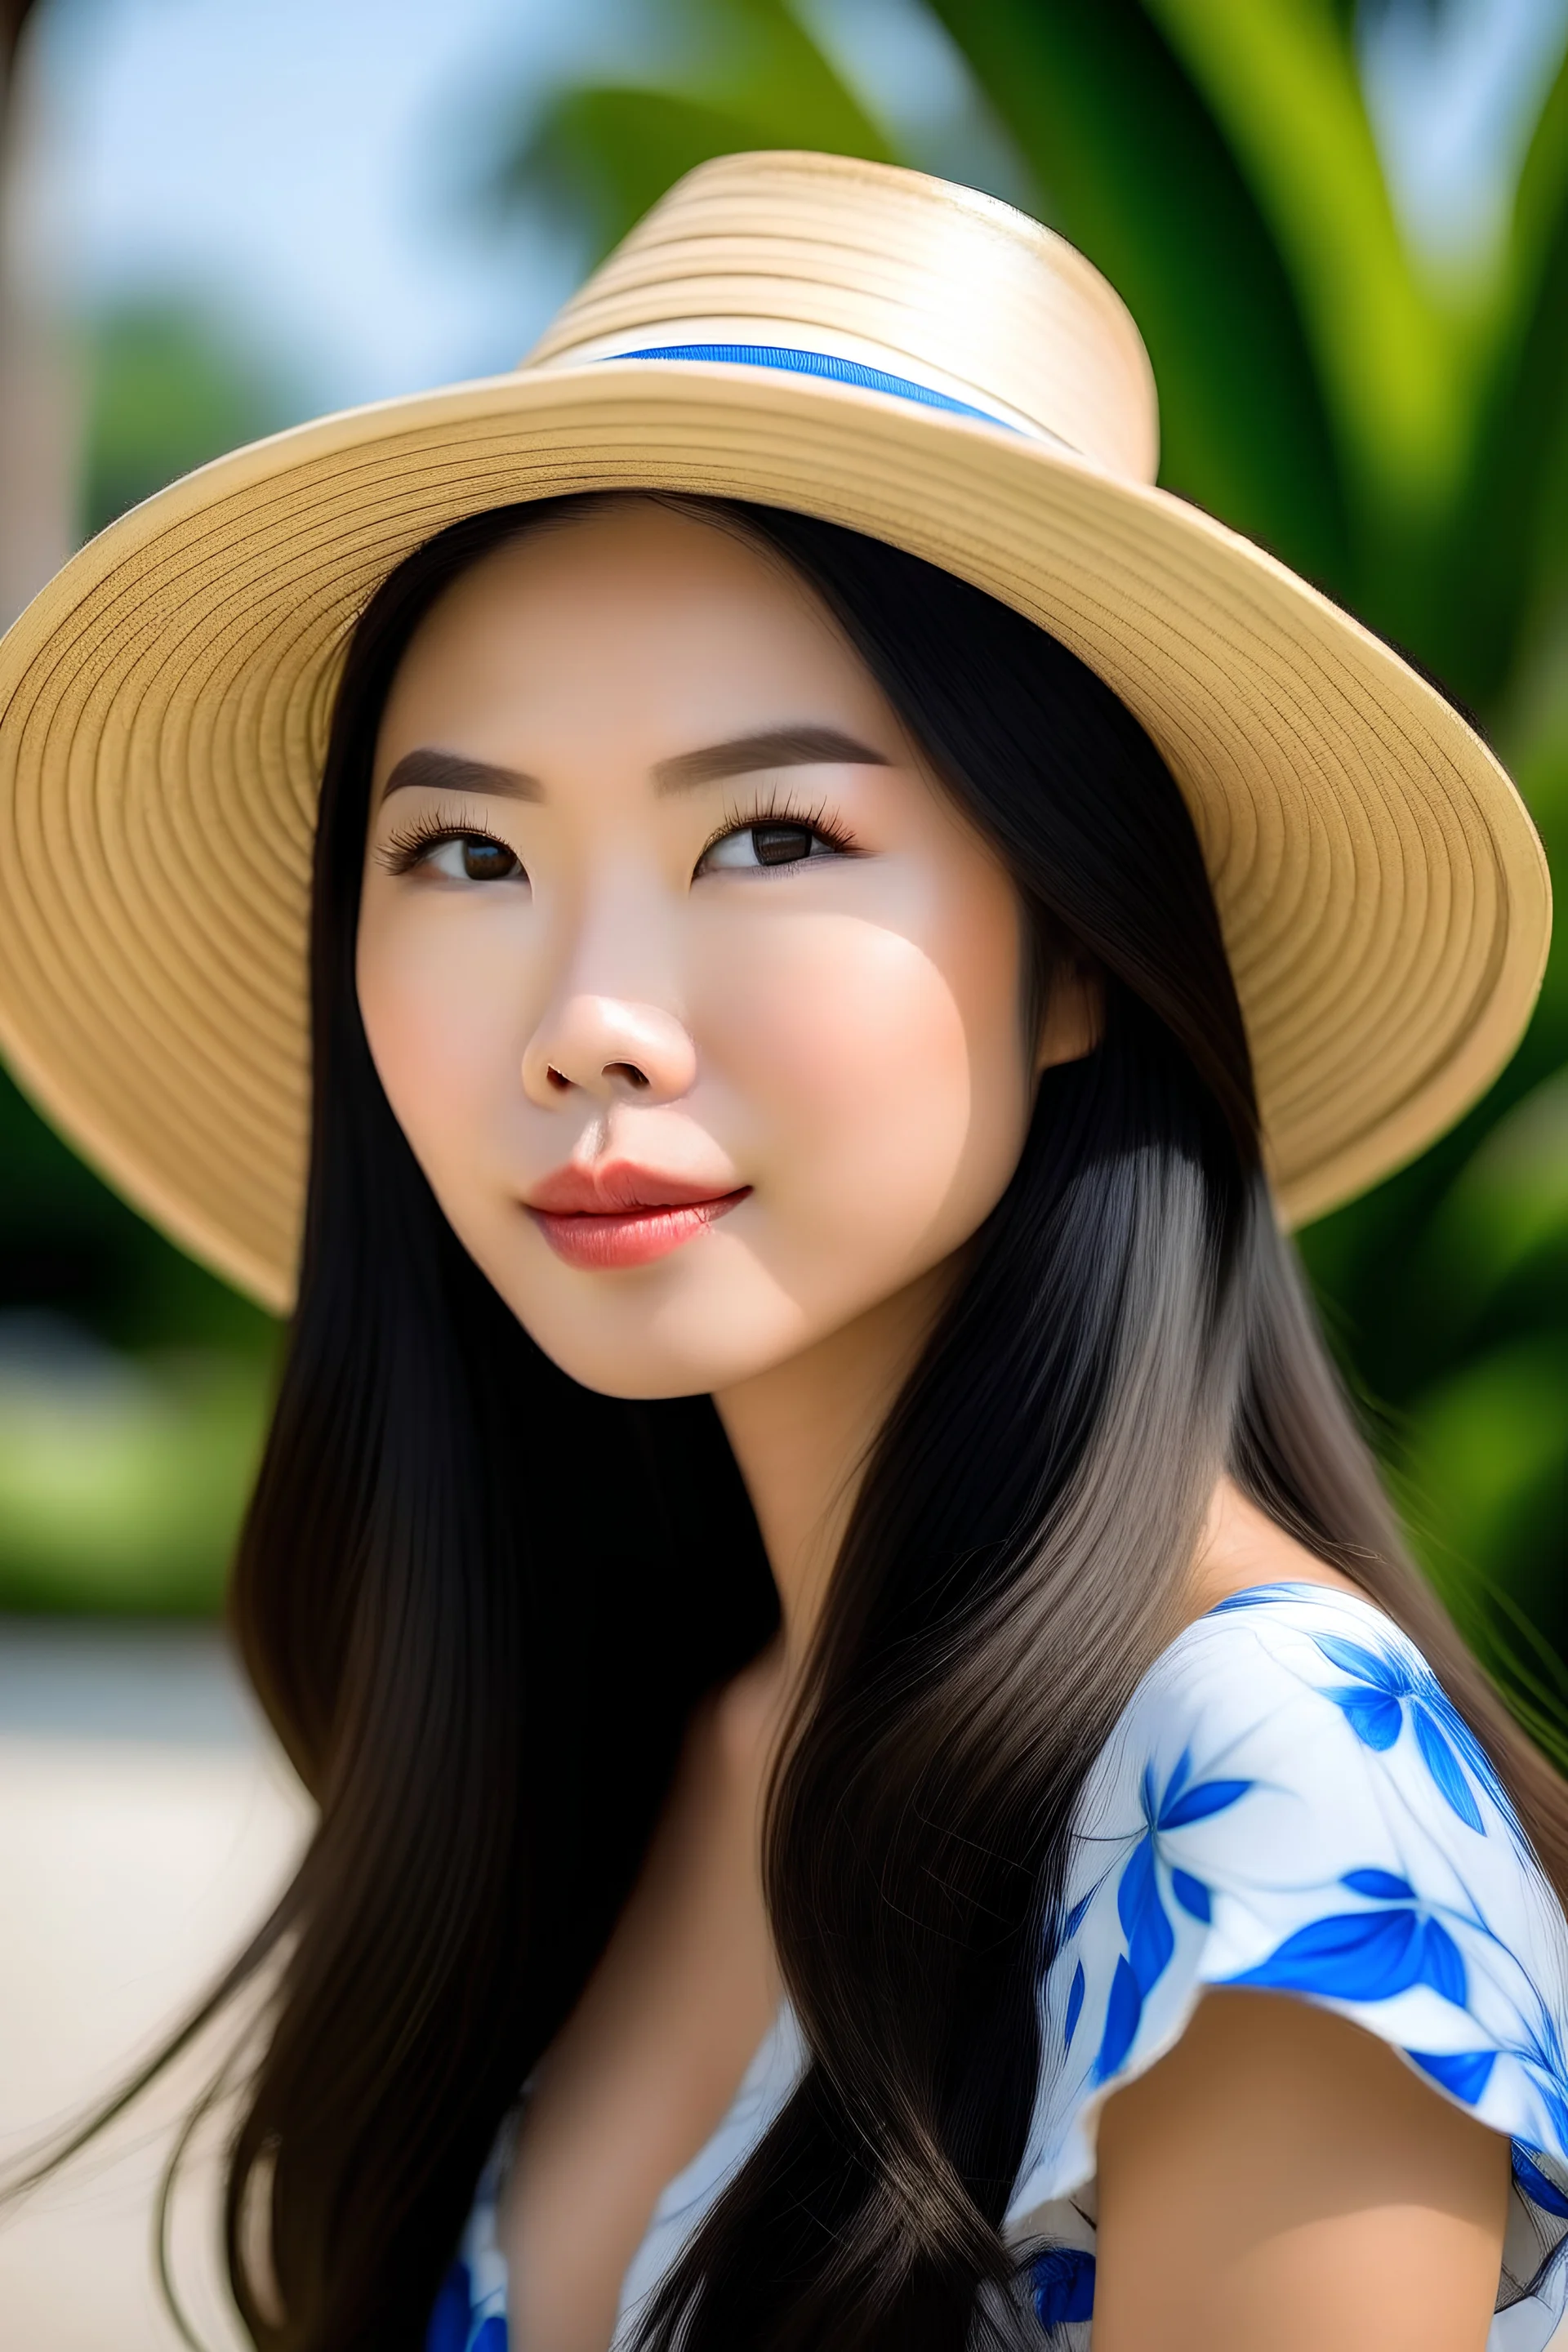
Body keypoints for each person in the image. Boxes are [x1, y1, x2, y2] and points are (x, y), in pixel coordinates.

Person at [0, 152, 1562, 2352]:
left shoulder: (1267, 1806)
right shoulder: (628, 1718)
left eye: (771, 834)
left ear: (1082, 951)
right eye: (462, 849)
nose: (582, 1024)